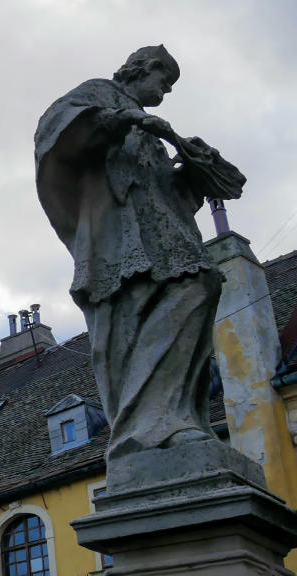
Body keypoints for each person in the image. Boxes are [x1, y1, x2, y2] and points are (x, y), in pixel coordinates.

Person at [34, 45, 243, 466]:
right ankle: (148, 428)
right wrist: (122, 120)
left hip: (163, 237)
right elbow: (58, 136)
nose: (165, 94)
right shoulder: (97, 93)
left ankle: (177, 419)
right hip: (119, 239)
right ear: (141, 70)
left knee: (199, 283)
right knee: (138, 316)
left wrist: (192, 166)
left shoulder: (154, 134)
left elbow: (175, 192)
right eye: (163, 83)